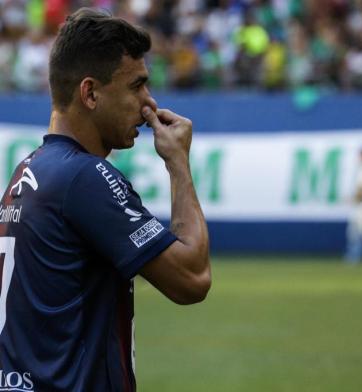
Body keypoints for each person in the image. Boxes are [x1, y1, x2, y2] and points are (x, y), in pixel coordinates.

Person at [0, 8, 211, 391]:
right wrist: (178, 162)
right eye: (136, 86)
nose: (149, 104)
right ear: (90, 93)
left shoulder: (29, 171)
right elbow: (192, 279)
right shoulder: (84, 177)